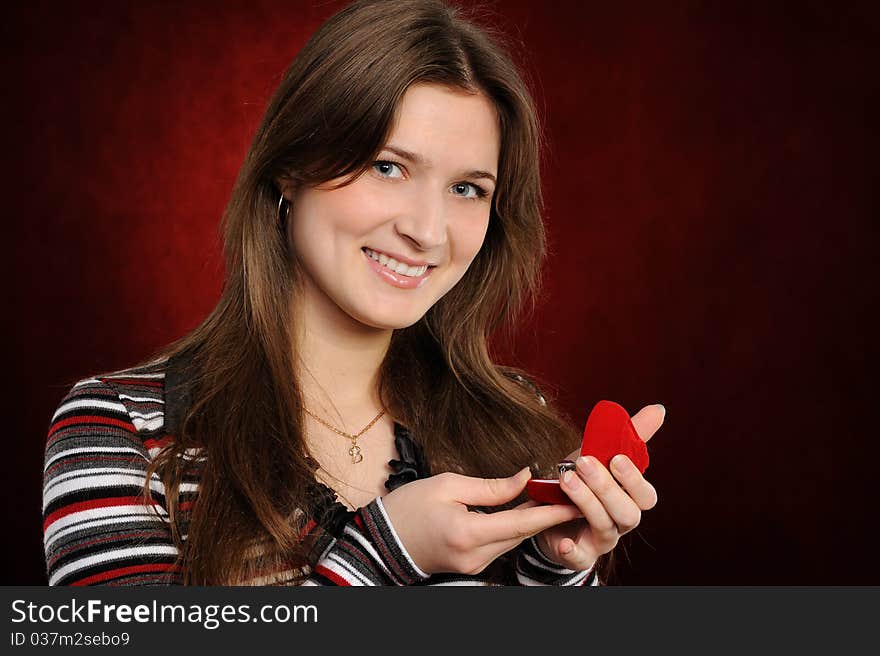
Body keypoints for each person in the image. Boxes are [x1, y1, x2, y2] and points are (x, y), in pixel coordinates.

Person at [42, 0, 663, 586]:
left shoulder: (513, 431)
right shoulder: (120, 431)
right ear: (291, 168)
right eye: (388, 167)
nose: (425, 231)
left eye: (468, 189)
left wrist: (554, 572)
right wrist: (389, 552)